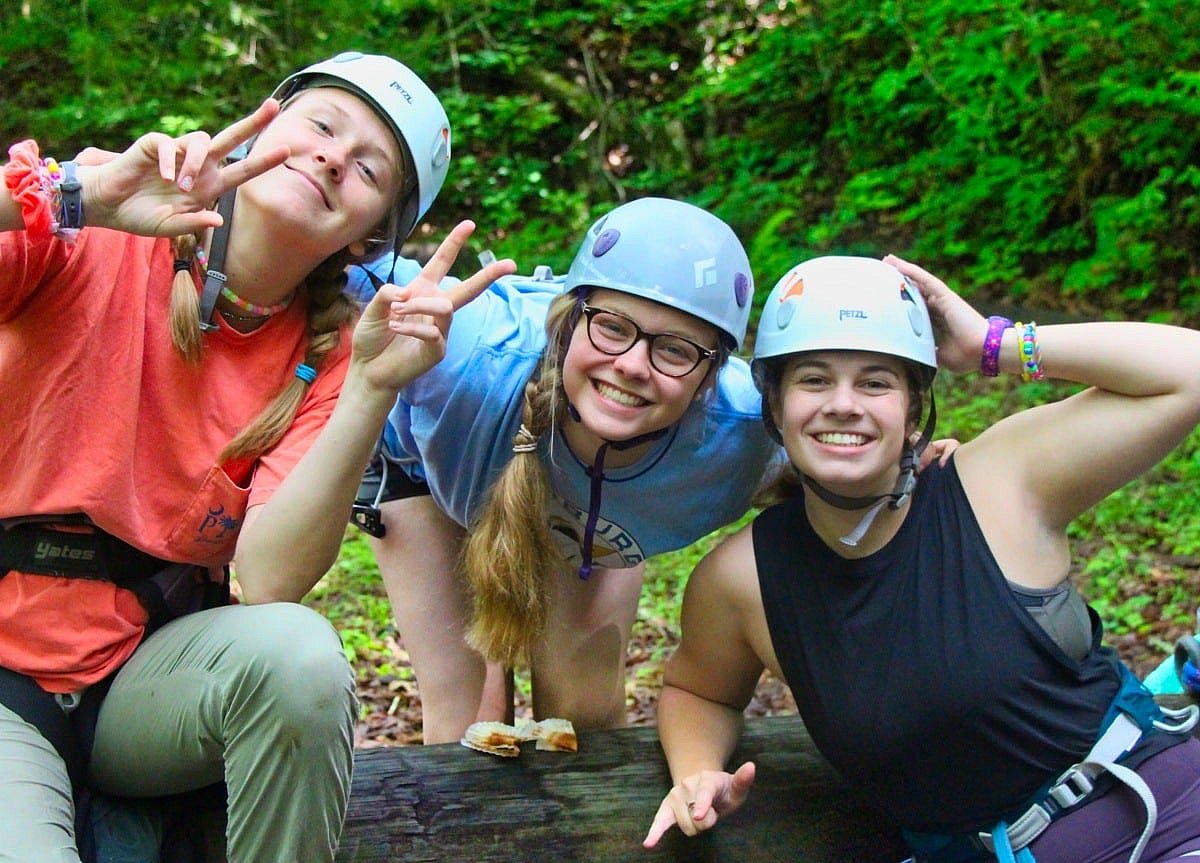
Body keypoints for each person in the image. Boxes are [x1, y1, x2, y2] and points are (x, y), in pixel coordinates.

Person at [0, 50, 514, 863]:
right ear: (262, 128)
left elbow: (269, 580)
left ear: (371, 232)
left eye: (369, 167)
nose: (334, 159)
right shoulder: (94, 209)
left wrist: (374, 387)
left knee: (301, 654)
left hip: (142, 686)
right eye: (323, 124)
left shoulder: (338, 353)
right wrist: (78, 197)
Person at [644, 255, 1200, 863]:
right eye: (814, 380)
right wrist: (697, 771)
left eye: (876, 382)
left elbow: (1188, 372)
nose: (843, 404)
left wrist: (995, 344)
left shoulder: (995, 482)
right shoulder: (742, 579)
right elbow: (699, 691)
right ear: (774, 406)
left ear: (913, 412)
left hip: (1157, 812)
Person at [345, 196, 781, 741]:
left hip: (591, 486)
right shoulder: (466, 351)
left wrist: (913, 459)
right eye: (613, 328)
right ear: (568, 321)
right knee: (468, 717)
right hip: (427, 464)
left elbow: (848, 455)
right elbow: (341, 254)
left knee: (585, 713)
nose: (631, 366)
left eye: (674, 350)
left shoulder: (744, 433)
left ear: (711, 375)